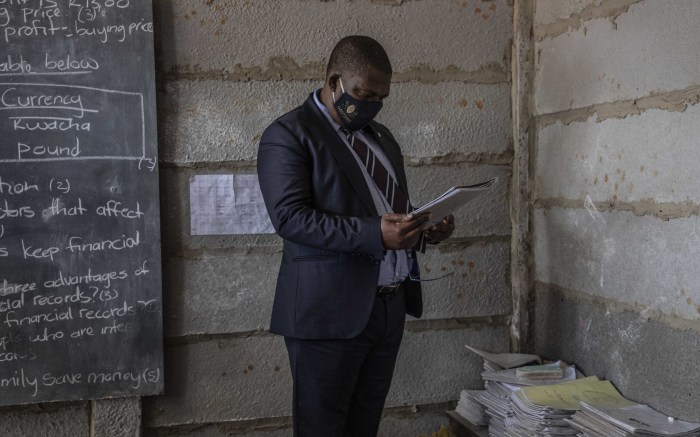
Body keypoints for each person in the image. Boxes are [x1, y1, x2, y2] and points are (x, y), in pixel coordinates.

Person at [257, 35, 455, 437]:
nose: (372, 105)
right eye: (364, 94)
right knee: (323, 429)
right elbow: (291, 219)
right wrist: (377, 234)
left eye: (381, 97)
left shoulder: (382, 138)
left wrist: (423, 227)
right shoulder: (289, 134)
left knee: (364, 426)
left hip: (387, 308)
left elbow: (387, 209)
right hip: (328, 315)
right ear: (334, 82)